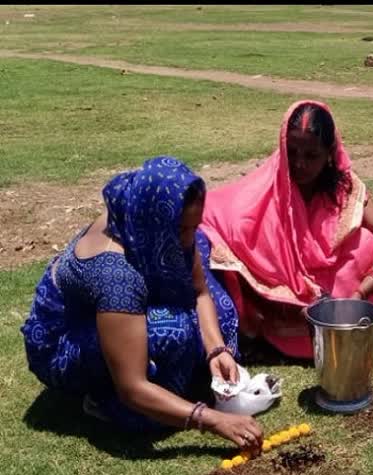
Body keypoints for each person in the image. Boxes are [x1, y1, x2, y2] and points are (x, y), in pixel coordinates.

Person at [21, 157, 263, 451]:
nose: (189, 239)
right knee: (173, 331)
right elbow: (132, 387)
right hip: (64, 341)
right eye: (183, 230)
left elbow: (199, 292)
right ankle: (101, 400)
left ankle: (181, 371)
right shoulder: (115, 276)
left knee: (221, 313)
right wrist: (212, 420)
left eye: (193, 226)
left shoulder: (147, 218)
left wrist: (215, 350)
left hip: (117, 311)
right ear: (159, 221)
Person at [200, 100, 373, 359]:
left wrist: (360, 293)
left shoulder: (345, 188)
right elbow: (225, 217)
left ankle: (348, 317)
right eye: (292, 152)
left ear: (330, 152)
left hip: (349, 297)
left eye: (311, 156)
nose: (299, 164)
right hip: (289, 308)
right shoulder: (268, 190)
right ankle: (309, 329)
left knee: (364, 242)